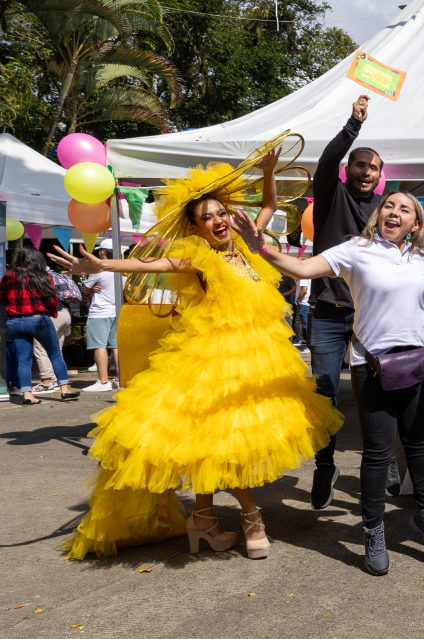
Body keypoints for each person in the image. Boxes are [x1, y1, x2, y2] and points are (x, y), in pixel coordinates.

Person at [54, 139, 342, 560]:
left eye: (221, 212)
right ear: (196, 227)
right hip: (211, 362)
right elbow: (154, 264)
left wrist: (267, 173)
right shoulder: (199, 258)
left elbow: (267, 206)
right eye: (207, 217)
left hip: (258, 360)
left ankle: (203, 520)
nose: (218, 221)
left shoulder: (247, 244)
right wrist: (103, 265)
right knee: (221, 442)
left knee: (212, 446)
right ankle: (251, 517)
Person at [237, 191, 424, 576]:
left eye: (405, 209)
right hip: (371, 365)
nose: (394, 212)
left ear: (415, 224)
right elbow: (302, 269)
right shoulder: (356, 249)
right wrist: (259, 247)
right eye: (389, 205)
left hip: (417, 362)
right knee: (377, 452)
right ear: (379, 213)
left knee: (419, 444)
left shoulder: (421, 258)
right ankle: (373, 531)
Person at [308, 94, 387, 510]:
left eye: (373, 168)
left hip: (370, 317)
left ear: (380, 176)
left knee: (378, 390)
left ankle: (385, 462)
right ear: (348, 169)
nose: (366, 172)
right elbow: (326, 162)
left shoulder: (384, 211)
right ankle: (324, 466)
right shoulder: (331, 196)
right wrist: (353, 125)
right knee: (325, 394)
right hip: (326, 313)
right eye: (360, 165)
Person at [1, 247, 81, 404]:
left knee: (24, 359)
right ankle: (64, 390)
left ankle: (27, 394)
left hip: (14, 321)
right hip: (38, 319)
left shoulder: (8, 277)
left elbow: (2, 299)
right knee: (55, 354)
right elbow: (52, 299)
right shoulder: (42, 275)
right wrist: (51, 312)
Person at [30, 263, 80, 393]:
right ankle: (60, 380)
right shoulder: (57, 275)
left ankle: (47, 382)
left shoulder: (40, 277)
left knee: (40, 347)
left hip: (53, 315)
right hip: (65, 314)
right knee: (56, 350)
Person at [81, 239, 121, 392]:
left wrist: (91, 289)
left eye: (99, 250)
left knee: (99, 346)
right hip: (117, 311)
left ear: (103, 251)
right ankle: (120, 379)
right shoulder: (122, 269)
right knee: (116, 346)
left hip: (100, 312)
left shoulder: (98, 270)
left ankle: (103, 381)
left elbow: (86, 290)